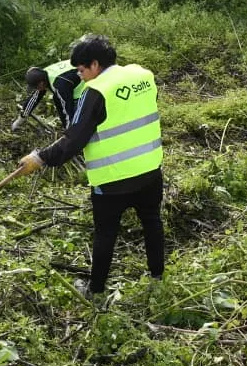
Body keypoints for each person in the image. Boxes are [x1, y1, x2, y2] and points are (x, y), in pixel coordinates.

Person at [17, 34, 164, 298]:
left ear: (95, 64)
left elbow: (74, 140)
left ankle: (95, 292)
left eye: (82, 70)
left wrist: (40, 158)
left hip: (112, 180)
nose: (80, 76)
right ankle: (157, 278)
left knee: (105, 234)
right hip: (151, 171)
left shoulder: (95, 91)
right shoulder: (143, 75)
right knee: (152, 222)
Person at [11, 60, 85, 131]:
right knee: (57, 98)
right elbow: (34, 99)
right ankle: (69, 129)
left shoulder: (59, 85)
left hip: (85, 85)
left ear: (41, 83)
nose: (36, 90)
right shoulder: (43, 74)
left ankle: (75, 130)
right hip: (72, 78)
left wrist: (69, 133)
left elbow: (67, 109)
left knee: (69, 108)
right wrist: (19, 120)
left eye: (36, 87)